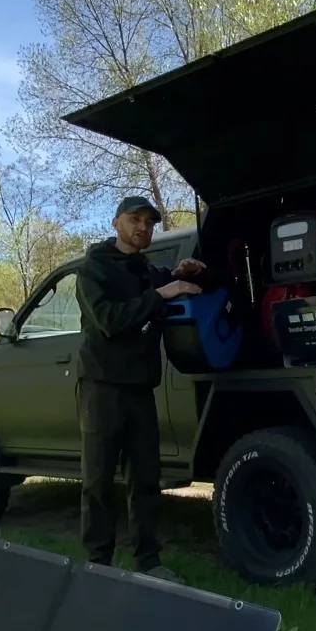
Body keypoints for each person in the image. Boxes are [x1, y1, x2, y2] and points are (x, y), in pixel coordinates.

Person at [75, 195, 206, 582]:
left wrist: (179, 273)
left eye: (150, 223)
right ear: (116, 223)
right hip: (103, 388)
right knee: (98, 481)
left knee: (145, 479)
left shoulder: (145, 269)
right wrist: (161, 294)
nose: (143, 228)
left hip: (140, 388)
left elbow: (158, 284)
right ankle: (97, 565)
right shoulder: (94, 268)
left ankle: (149, 562)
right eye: (135, 220)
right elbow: (110, 320)